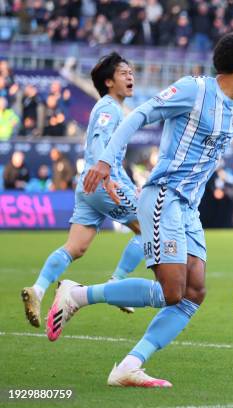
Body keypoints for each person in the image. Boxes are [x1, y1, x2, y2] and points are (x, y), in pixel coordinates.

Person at [46, 33, 233, 387]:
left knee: (193, 293)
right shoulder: (193, 90)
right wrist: (106, 160)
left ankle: (129, 366)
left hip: (188, 210)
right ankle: (77, 295)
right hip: (163, 198)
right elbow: (139, 114)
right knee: (172, 292)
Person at [21, 53, 144, 328]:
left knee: (75, 248)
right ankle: (117, 284)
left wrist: (124, 180)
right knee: (149, 228)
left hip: (88, 185)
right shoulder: (109, 108)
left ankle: (38, 290)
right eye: (124, 73)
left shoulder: (110, 107)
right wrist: (109, 178)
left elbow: (110, 153)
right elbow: (101, 144)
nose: (131, 77)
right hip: (100, 182)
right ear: (109, 82)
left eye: (131, 72)